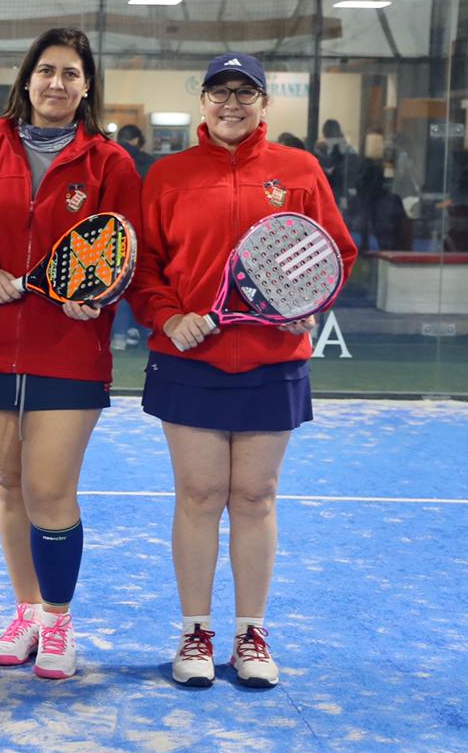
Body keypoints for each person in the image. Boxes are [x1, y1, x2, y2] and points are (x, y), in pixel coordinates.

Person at [130, 51, 356, 690]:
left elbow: (335, 251)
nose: (232, 104)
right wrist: (170, 316)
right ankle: (195, 631)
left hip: (271, 361)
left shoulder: (300, 170)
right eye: (220, 92)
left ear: (264, 103)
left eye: (245, 93)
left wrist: (306, 305)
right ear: (202, 101)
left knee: (255, 497)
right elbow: (145, 268)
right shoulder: (168, 175)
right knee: (199, 495)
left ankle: (250, 633)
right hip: (188, 361)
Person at [0, 27, 142, 680]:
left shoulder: (110, 164)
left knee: (49, 490)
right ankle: (28, 611)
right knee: (9, 488)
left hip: (69, 351)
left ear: (87, 85)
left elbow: (123, 251)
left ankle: (59, 619)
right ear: (27, 79)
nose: (57, 84)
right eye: (46, 71)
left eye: (70, 73)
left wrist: (99, 298)